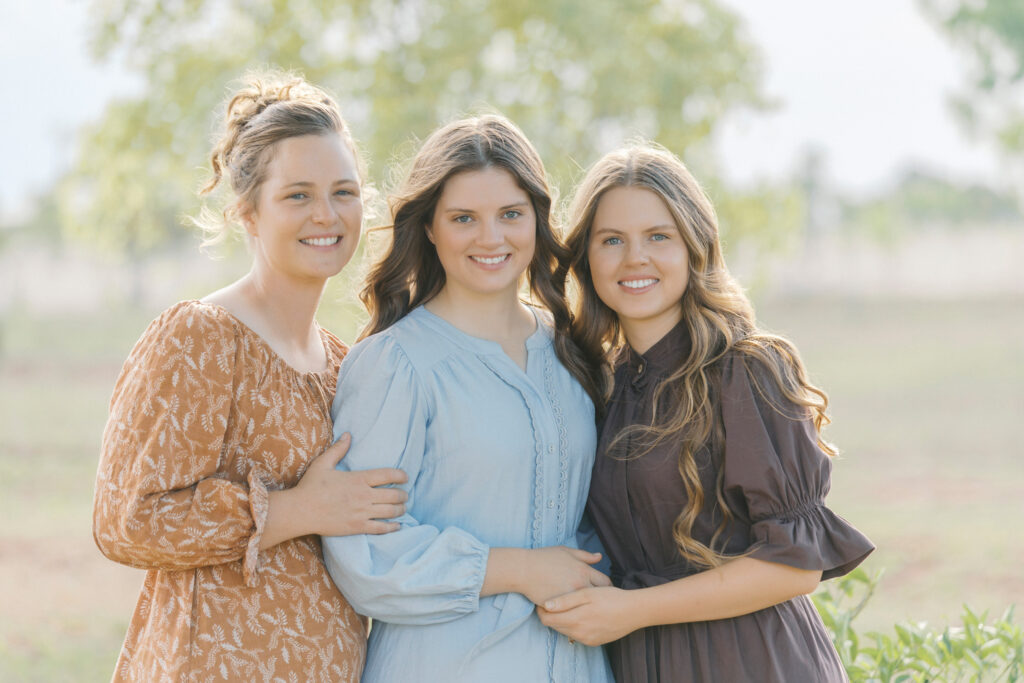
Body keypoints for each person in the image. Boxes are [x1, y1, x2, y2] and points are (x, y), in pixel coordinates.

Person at [92, 72, 408, 682]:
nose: (327, 214)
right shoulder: (201, 339)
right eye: (298, 195)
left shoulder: (344, 362)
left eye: (344, 192)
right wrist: (296, 510)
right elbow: (125, 521)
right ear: (247, 211)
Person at [538, 143, 874, 682]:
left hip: (754, 660)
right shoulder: (595, 383)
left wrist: (630, 611)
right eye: (611, 240)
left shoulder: (745, 370)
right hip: (642, 662)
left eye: (658, 236)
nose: (634, 259)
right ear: (587, 257)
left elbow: (795, 569)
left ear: (695, 246)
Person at [321, 114, 614, 682]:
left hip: (575, 666)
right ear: (429, 228)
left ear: (536, 219)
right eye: (463, 219)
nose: (491, 238)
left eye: (510, 214)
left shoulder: (573, 356)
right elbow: (365, 557)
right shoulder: (396, 364)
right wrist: (520, 570)